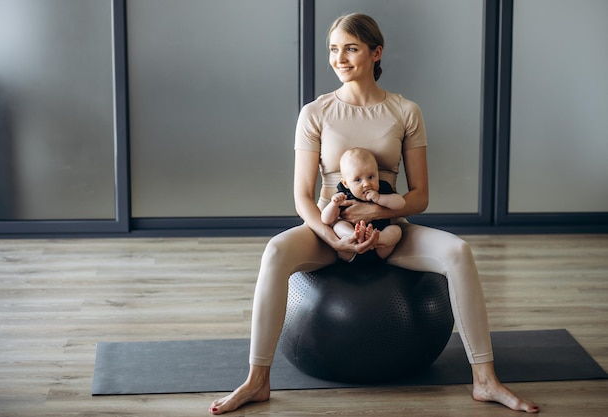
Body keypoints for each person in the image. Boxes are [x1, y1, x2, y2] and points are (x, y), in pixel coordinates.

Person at [210, 13, 539, 415]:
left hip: (390, 226)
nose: (339, 58)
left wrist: (378, 209)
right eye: (334, 49)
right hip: (331, 227)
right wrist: (332, 236)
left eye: (350, 48)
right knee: (276, 252)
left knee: (459, 252)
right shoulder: (315, 113)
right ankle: (256, 381)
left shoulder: (405, 111)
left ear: (375, 52)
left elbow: (420, 197)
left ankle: (485, 381)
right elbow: (302, 197)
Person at [321, 147, 405, 262]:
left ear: (377, 175)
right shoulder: (344, 195)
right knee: (338, 225)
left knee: (396, 230)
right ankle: (354, 235)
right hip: (350, 249)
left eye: (371, 177)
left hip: (379, 248)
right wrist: (333, 205)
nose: (366, 184)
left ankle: (376, 238)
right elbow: (326, 220)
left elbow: (401, 203)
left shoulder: (382, 189)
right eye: (357, 180)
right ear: (346, 183)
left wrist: (380, 198)